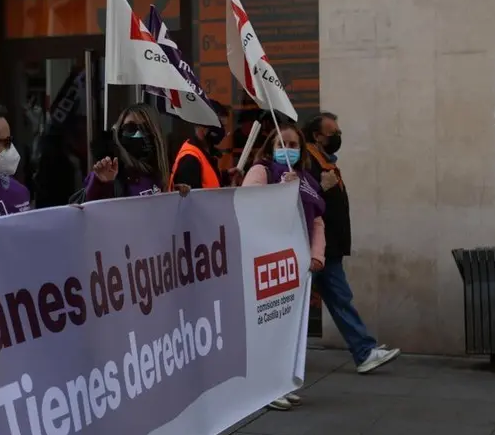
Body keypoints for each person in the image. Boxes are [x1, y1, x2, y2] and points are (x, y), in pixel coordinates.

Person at [305, 112, 400, 373]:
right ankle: (363, 351)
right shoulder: (308, 161)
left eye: (338, 132)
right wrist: (320, 189)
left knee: (339, 299)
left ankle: (364, 351)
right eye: (332, 133)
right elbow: (302, 201)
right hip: (317, 247)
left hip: (328, 248)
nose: (337, 137)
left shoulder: (324, 160)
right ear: (317, 136)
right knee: (303, 307)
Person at [242, 120, 327, 410]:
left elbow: (316, 222)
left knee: (290, 327)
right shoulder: (262, 171)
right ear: (271, 147)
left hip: (298, 263)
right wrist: (281, 191)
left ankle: (281, 382)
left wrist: (317, 255)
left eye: (293, 145)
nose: (287, 150)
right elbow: (249, 205)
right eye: (282, 145)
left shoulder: (307, 180)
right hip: (268, 261)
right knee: (270, 324)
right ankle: (266, 387)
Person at [77, 103, 174, 201]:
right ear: (119, 133)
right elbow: (87, 208)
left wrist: (176, 194)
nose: (138, 134)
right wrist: (102, 183)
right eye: (130, 128)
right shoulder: (107, 172)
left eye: (145, 128)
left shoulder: (162, 172)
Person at [170, 101, 243, 191]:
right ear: (203, 126)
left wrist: (225, 176)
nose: (223, 132)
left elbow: (206, 181)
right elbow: (192, 201)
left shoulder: (203, 152)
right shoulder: (190, 160)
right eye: (221, 126)